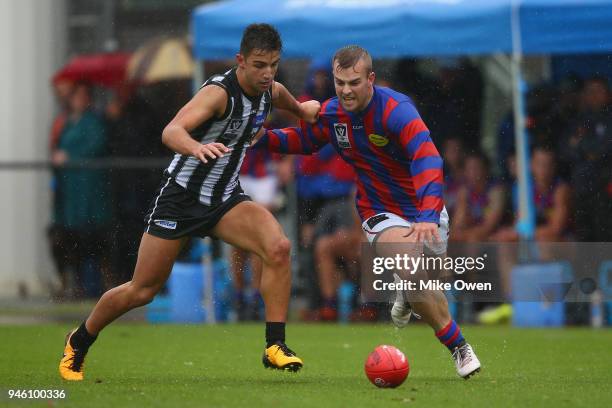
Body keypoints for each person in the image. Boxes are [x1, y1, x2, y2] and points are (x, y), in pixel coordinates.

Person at [59, 23, 320, 381]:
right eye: (259, 64)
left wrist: (310, 112)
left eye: (273, 64)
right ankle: (80, 339)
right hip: (181, 199)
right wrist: (196, 147)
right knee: (142, 290)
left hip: (225, 199)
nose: (267, 73)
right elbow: (171, 131)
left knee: (278, 247)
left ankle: (275, 345)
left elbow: (294, 106)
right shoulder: (218, 93)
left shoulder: (270, 90)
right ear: (240, 61)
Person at [257, 45, 481, 379]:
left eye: (354, 82)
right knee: (409, 265)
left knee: (426, 281)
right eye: (339, 82)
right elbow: (304, 141)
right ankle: (459, 346)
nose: (346, 90)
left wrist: (428, 216)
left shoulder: (397, 110)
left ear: (371, 79)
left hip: (423, 211)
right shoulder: (334, 114)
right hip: (377, 210)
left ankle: (408, 291)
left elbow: (428, 159)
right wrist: (262, 138)